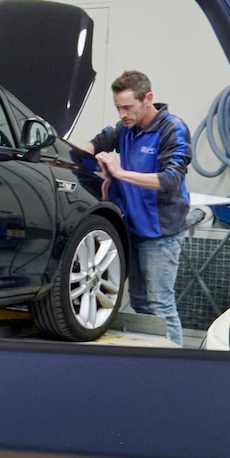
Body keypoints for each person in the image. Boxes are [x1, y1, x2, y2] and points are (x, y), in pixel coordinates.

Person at [76, 70, 191, 345]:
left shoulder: (172, 128)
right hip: (132, 231)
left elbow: (170, 179)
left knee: (161, 306)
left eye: (128, 107)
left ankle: (174, 367)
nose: (122, 114)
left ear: (148, 98)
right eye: (118, 108)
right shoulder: (124, 128)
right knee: (139, 303)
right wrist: (85, 160)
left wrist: (119, 172)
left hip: (161, 234)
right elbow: (92, 145)